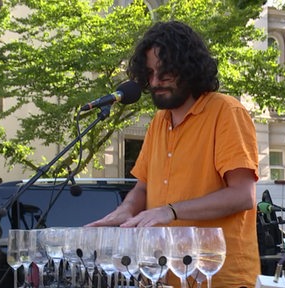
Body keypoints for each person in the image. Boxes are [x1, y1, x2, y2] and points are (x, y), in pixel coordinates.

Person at [87, 20, 260, 288]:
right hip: (163, 276)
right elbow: (143, 189)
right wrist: (124, 212)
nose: (155, 82)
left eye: (165, 73)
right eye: (150, 73)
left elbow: (242, 195)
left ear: (189, 68)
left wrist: (171, 211)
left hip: (219, 279)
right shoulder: (158, 122)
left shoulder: (226, 112)